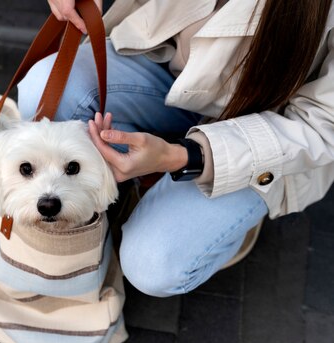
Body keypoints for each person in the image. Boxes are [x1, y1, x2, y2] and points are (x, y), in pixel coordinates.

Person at [17, 0, 334, 297]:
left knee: (154, 265)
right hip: (162, 61)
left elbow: (324, 124)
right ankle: (125, 187)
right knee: (43, 90)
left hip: (264, 132)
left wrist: (180, 156)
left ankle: (226, 224)